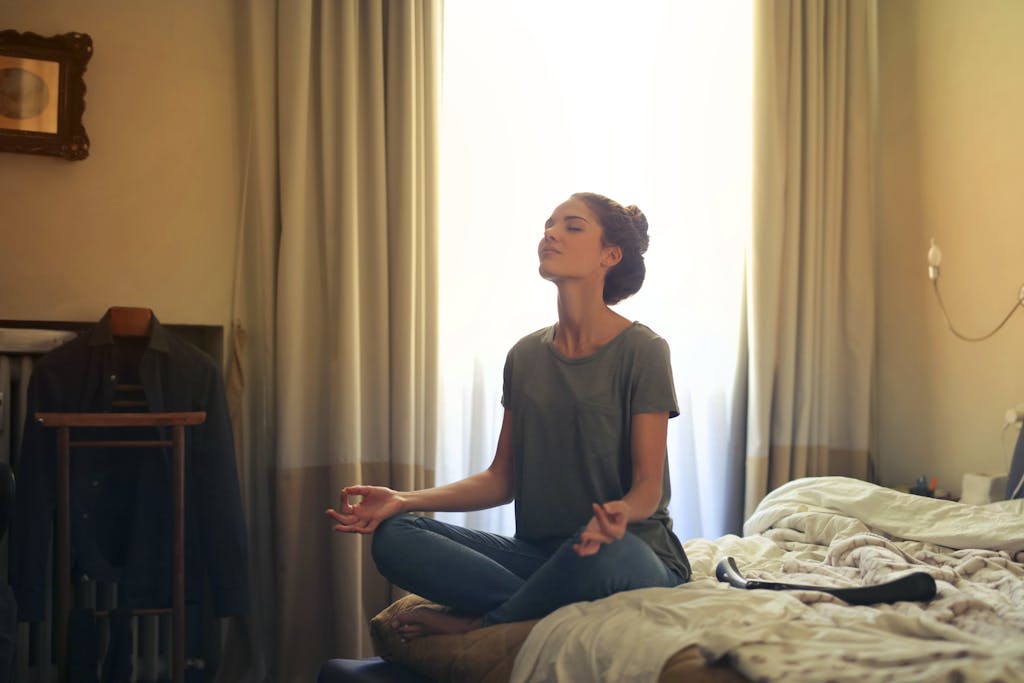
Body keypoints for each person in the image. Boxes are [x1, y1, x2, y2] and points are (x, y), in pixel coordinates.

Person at [326, 192, 690, 639]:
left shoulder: (644, 351)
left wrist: (619, 511)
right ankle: (538, 605)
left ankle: (484, 623)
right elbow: (501, 479)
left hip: (625, 550)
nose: (551, 234)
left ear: (609, 255)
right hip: (539, 556)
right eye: (548, 226)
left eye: (572, 226)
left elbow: (648, 487)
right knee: (397, 535)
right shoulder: (524, 356)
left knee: (603, 555)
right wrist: (404, 499)